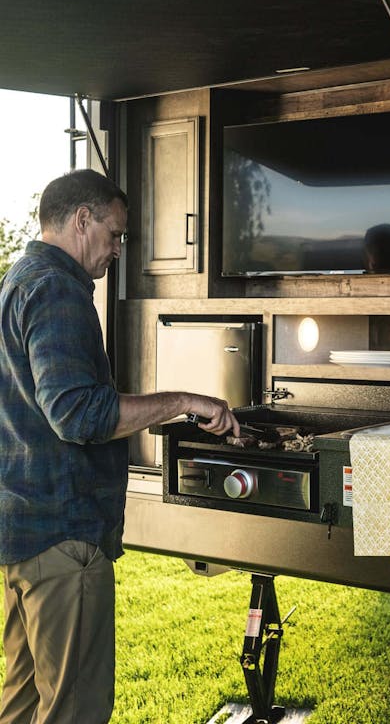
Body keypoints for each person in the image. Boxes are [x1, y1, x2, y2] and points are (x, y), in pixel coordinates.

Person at [0, 169, 240, 724]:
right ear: (82, 220)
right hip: (63, 537)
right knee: (75, 712)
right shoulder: (56, 289)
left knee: (23, 703)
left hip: (23, 535)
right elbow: (77, 414)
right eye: (115, 234)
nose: (118, 250)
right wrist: (186, 400)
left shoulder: (18, 278)